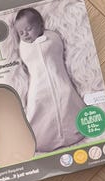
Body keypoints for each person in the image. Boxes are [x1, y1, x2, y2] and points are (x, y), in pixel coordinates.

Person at [15, 8, 85, 153]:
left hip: (60, 81)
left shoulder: (52, 38)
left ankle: (73, 131)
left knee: (67, 98)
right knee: (37, 108)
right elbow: (28, 58)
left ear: (41, 25)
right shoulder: (24, 47)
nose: (25, 34)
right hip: (38, 88)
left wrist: (43, 39)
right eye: (21, 33)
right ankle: (40, 139)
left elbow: (55, 48)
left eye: (28, 29)